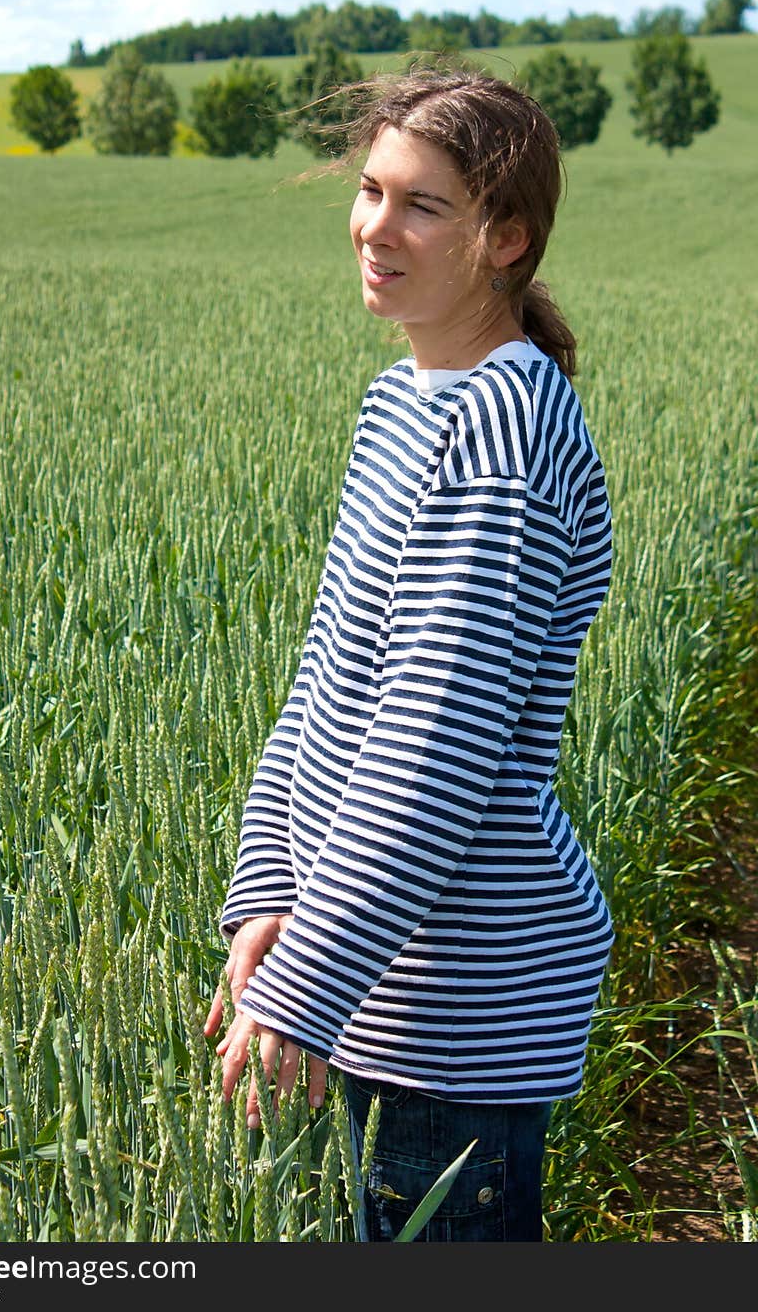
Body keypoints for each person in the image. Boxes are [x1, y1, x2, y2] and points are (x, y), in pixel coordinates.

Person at [203, 66, 615, 1243]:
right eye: (371, 190)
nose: (375, 228)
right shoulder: (405, 403)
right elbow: (327, 687)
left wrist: (309, 983)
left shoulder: (499, 436)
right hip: (382, 987)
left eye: (422, 205)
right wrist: (269, 893)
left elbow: (428, 748)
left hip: (459, 1017)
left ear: (505, 238)